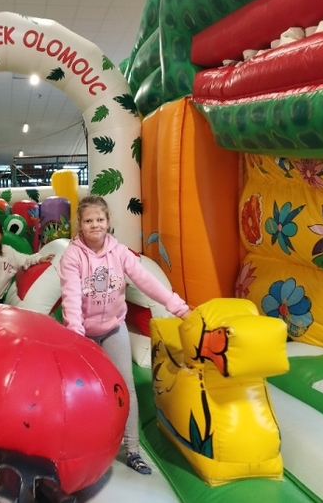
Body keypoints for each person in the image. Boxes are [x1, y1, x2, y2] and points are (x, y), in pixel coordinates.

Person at [57, 195, 191, 475]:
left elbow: (148, 282)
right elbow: (71, 297)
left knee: (125, 388)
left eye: (100, 219)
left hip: (113, 328)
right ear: (80, 224)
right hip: (84, 334)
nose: (95, 225)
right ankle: (82, 447)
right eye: (89, 220)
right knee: (83, 391)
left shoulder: (119, 253)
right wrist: (76, 338)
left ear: (108, 222)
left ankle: (132, 450)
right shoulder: (73, 256)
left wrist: (180, 308)